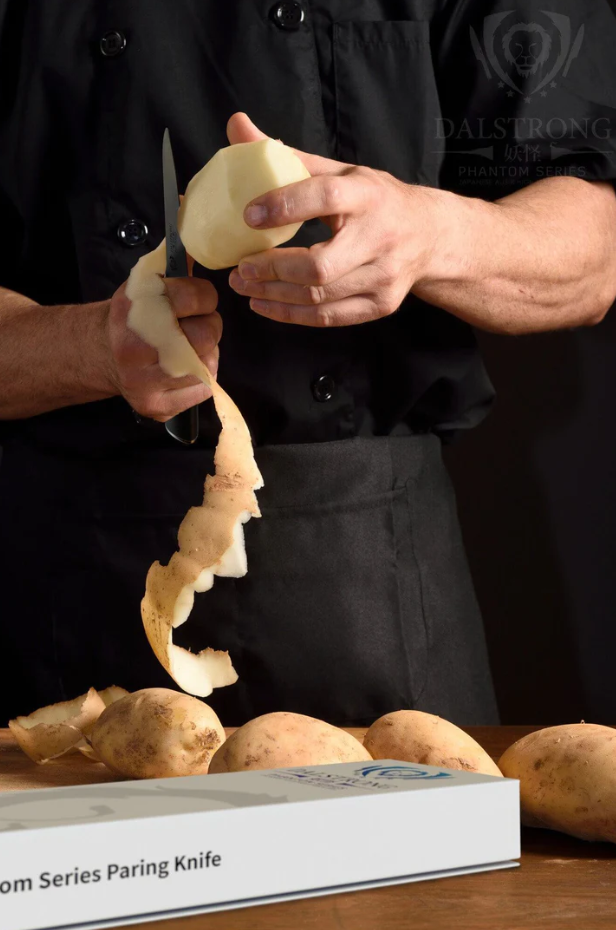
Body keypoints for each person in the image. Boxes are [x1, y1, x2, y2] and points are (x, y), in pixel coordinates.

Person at [1, 2, 615, 727]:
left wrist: (434, 235)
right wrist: (88, 347)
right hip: (71, 589)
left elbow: (596, 248)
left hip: (372, 581)